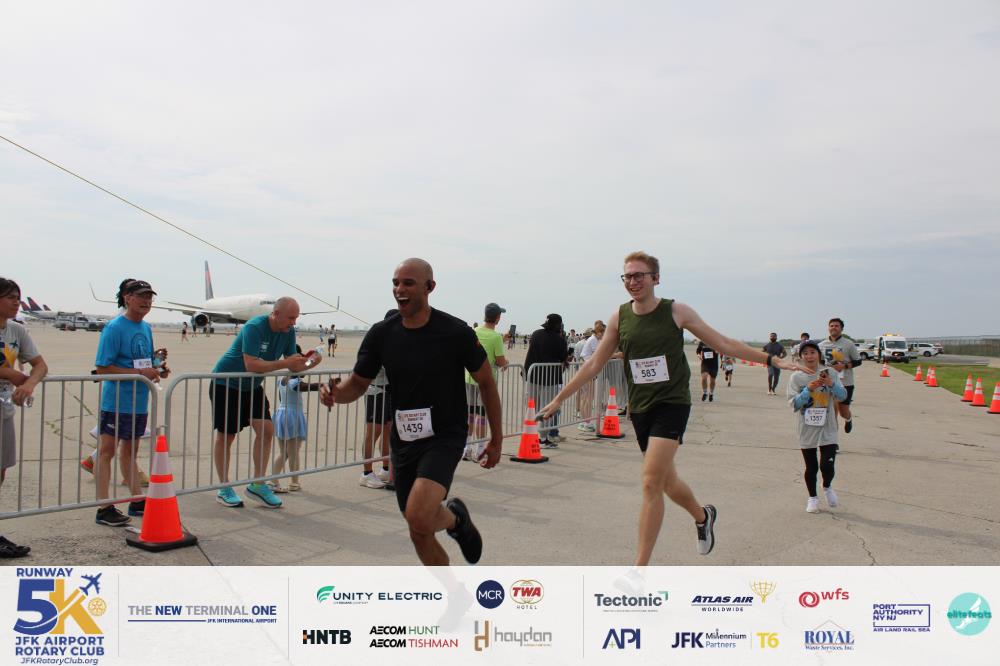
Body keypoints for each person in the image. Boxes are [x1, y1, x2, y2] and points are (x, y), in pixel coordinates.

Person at [539, 251, 801, 565]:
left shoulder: (676, 311)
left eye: (639, 275)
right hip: (640, 407)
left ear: (656, 278)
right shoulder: (620, 317)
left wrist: (771, 360)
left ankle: (639, 571)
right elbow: (595, 363)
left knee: (650, 481)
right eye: (627, 276)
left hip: (672, 403)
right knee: (666, 482)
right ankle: (703, 516)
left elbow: (724, 343)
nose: (633, 282)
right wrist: (559, 398)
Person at [320, 258, 502, 566]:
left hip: (445, 435)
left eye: (408, 283)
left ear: (430, 287)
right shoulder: (381, 334)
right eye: (395, 283)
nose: (399, 289)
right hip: (404, 441)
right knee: (418, 528)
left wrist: (496, 439)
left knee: (419, 514)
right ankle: (456, 531)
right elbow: (358, 384)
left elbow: (486, 381)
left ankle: (454, 523)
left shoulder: (455, 332)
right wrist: (336, 394)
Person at [210, 298, 313, 509]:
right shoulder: (254, 327)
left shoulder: (288, 332)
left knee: (267, 430)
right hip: (227, 382)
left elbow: (294, 365)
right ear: (276, 314)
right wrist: (286, 362)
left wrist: (311, 361)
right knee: (227, 435)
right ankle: (224, 487)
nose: (294, 322)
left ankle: (258, 484)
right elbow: (252, 364)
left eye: (296, 318)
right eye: (291, 318)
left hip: (252, 385)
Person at [93, 280, 170, 526]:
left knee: (130, 452)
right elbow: (103, 368)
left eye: (149, 297)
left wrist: (157, 368)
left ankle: (137, 500)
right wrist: (139, 373)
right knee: (106, 452)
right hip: (117, 401)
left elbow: (143, 362)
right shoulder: (114, 328)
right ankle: (104, 507)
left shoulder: (145, 327)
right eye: (141, 296)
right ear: (127, 298)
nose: (146, 301)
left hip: (139, 401)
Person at [0, 278, 47, 556]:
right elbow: (6, 370)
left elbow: (40, 365)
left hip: (4, 410)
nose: (16, 302)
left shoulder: (16, 330)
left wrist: (29, 383)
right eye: (10, 297)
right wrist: (16, 375)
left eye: (18, 297)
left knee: (1, 470)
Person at [787, 340, 845, 513]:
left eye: (813, 352)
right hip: (807, 427)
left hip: (828, 426)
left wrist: (831, 384)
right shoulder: (796, 377)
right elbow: (794, 404)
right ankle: (812, 498)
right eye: (805, 353)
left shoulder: (830, 373)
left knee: (827, 465)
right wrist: (807, 390)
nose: (809, 356)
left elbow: (842, 396)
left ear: (819, 354)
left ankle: (827, 486)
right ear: (800, 356)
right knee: (811, 467)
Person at [269, 346, 323, 493]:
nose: (304, 366)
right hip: (293, 416)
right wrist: (323, 385)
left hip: (281, 414)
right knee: (293, 452)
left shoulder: (282, 379)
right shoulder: (294, 381)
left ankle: (273, 480)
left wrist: (312, 358)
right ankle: (294, 482)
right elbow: (307, 386)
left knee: (284, 452)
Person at [463, 303, 508, 460]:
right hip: (486, 382)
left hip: (469, 378)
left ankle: (467, 447)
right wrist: (506, 363)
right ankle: (480, 449)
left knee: (470, 415)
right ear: (498, 318)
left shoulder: (475, 331)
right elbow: (500, 361)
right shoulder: (496, 337)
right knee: (481, 416)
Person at [360, 310, 397, 489]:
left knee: (388, 431)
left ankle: (386, 468)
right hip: (376, 391)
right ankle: (366, 473)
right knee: (372, 432)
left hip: (389, 392)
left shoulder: (396, 340)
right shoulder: (380, 339)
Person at [525, 314, 571, 448]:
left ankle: (528, 434)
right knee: (547, 409)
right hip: (549, 378)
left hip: (532, 375)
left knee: (531, 407)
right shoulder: (560, 340)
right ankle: (543, 439)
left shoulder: (536, 334)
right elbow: (563, 358)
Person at [819, 317, 861, 434]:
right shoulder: (821, 345)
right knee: (832, 412)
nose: (834, 328)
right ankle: (833, 438)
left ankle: (848, 418)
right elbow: (819, 362)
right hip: (828, 383)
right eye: (831, 326)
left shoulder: (848, 344)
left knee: (843, 412)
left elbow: (858, 361)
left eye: (836, 326)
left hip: (845, 382)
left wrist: (844, 366)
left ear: (841, 329)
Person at [577, 322, 605, 432]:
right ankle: (586, 422)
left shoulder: (595, 339)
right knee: (587, 397)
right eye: (603, 333)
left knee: (587, 397)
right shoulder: (593, 340)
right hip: (587, 370)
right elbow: (596, 355)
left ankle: (585, 421)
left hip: (588, 370)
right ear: (599, 332)